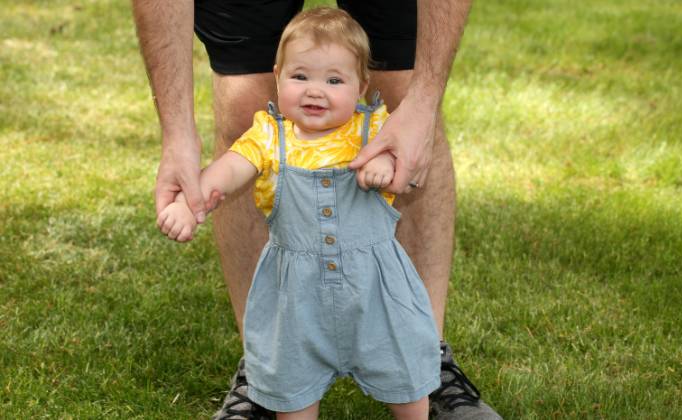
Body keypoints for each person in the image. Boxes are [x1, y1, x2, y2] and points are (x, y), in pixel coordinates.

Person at [132, 0, 501, 419]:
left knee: (404, 369)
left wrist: (384, 162)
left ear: (361, 86)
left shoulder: (373, 129)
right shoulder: (269, 137)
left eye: (333, 79)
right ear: (278, 77)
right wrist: (192, 200)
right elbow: (230, 171)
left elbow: (401, 155)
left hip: (377, 289)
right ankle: (264, 379)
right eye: (300, 75)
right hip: (296, 296)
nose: (314, 90)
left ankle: (430, 374)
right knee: (293, 379)